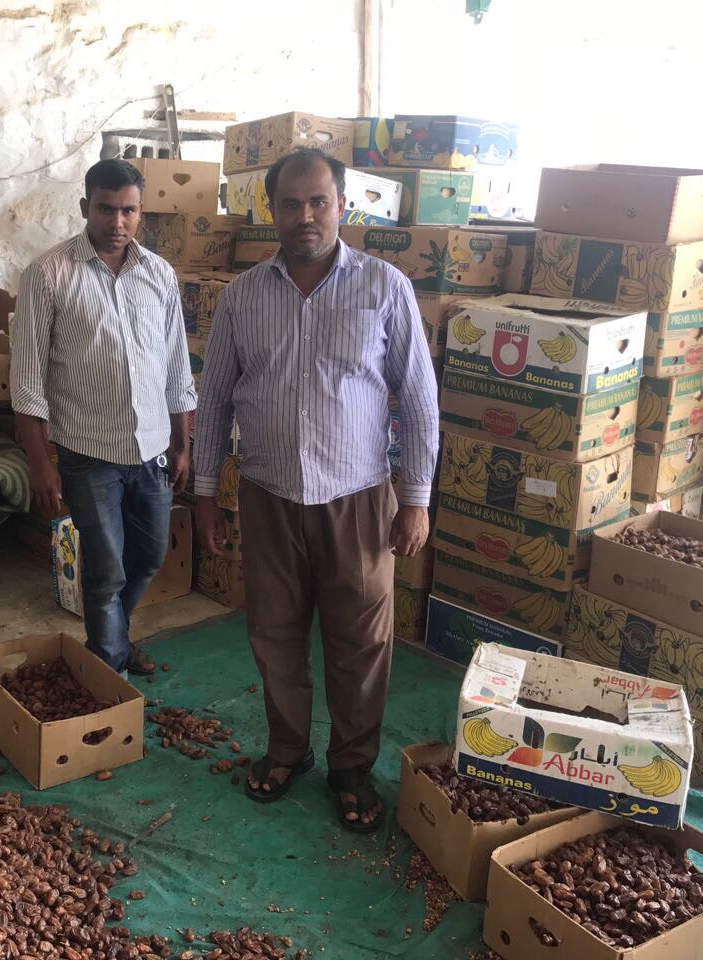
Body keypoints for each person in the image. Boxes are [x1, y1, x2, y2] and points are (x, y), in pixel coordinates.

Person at [193, 148, 438, 832]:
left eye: (318, 202)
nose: (305, 215)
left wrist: (416, 498)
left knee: (360, 640)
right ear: (272, 209)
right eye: (292, 203)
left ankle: (352, 766)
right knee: (275, 634)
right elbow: (214, 402)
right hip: (268, 495)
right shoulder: (243, 296)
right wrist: (206, 494)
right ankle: (288, 749)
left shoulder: (385, 287)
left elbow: (418, 399)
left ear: (342, 206)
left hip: (358, 497)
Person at [11, 158, 196, 678]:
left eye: (128, 211)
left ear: (142, 212)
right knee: (106, 568)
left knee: (150, 557)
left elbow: (176, 366)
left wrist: (182, 444)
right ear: (85, 207)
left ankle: (114, 638)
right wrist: (40, 463)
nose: (117, 222)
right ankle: (110, 672)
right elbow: (27, 380)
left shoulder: (159, 274)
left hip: (153, 451)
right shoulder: (47, 274)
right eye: (105, 209)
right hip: (89, 453)